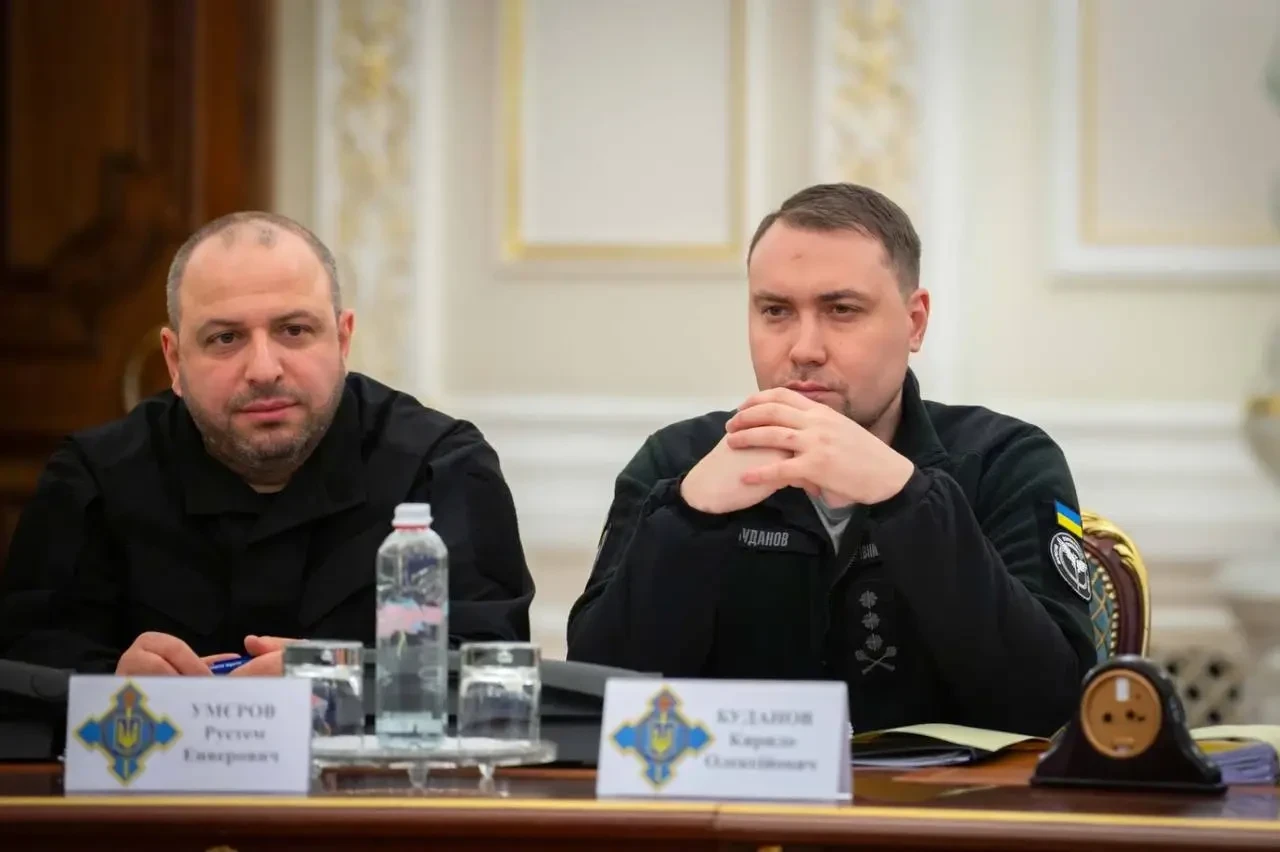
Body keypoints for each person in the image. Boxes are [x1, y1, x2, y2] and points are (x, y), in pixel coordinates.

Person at [566, 183, 1095, 737]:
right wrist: (688, 519)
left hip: (932, 793)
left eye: (842, 310)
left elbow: (1051, 707)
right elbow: (596, 707)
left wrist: (908, 499)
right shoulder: (676, 464)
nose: (805, 349)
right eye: (775, 311)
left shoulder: (1004, 462)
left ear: (915, 322)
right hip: (730, 792)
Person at [0, 211, 534, 677]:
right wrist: (109, 682)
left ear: (343, 339)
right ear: (174, 360)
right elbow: (25, 660)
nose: (263, 369)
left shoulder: (441, 465)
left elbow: (491, 663)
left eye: (294, 330)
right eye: (225, 338)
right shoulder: (96, 476)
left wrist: (342, 681)